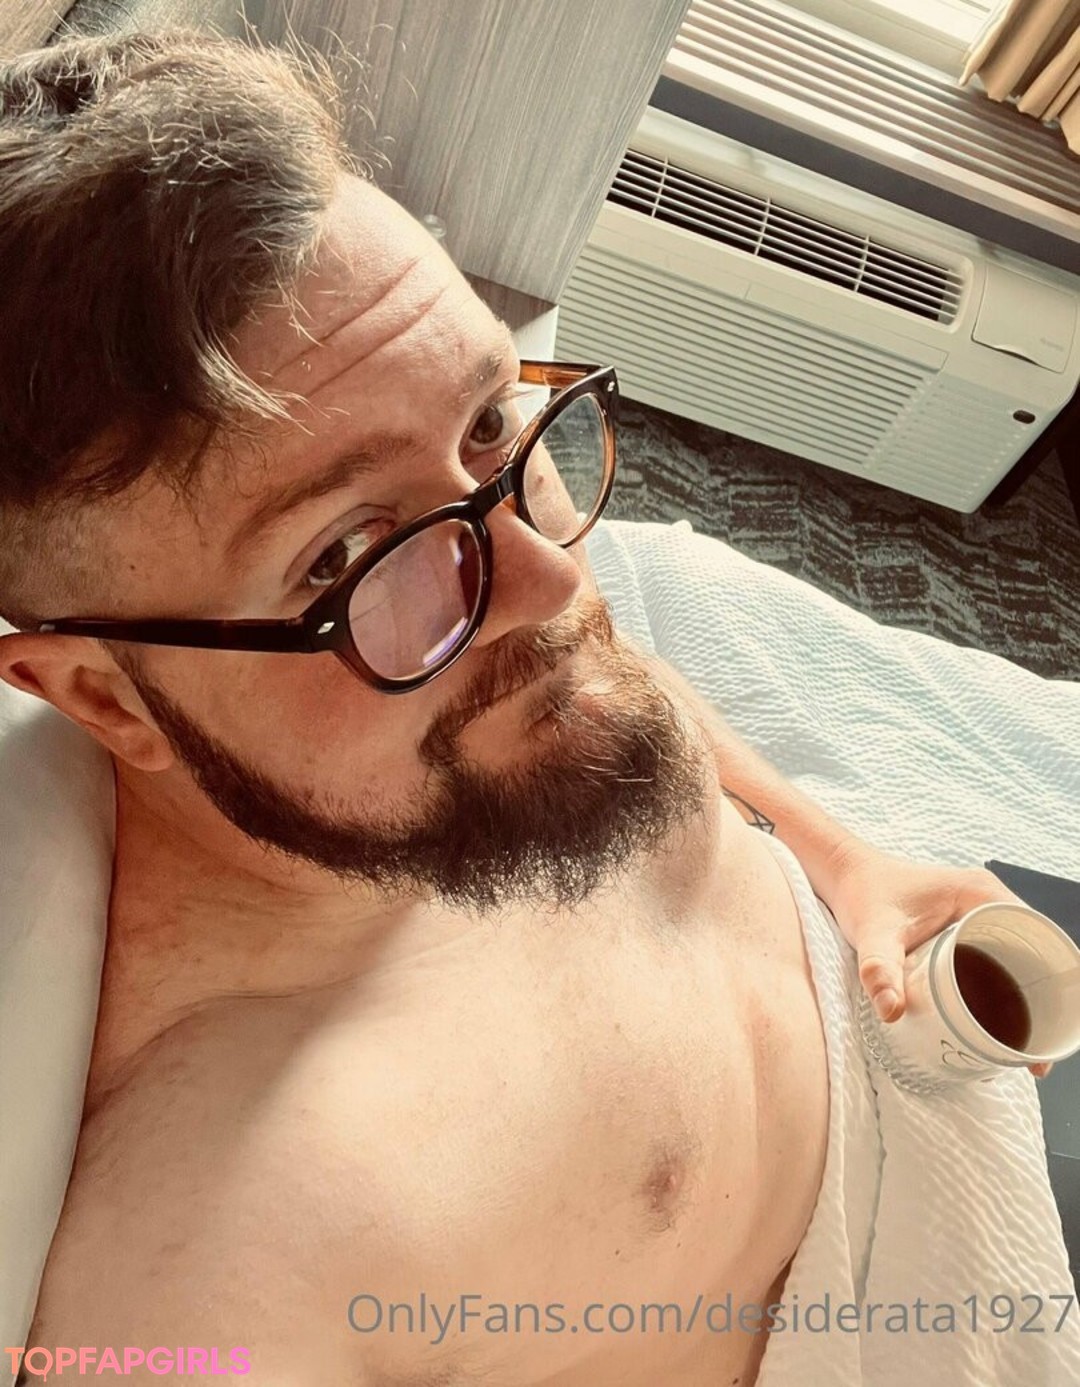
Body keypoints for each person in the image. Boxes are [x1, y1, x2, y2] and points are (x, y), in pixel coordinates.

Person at [0, 29, 1051, 1386]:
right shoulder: (234, 1250)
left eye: (491, 426)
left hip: (931, 1040)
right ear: (102, 693)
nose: (555, 581)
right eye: (350, 555)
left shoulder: (473, 669)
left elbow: (592, 671)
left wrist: (845, 862)